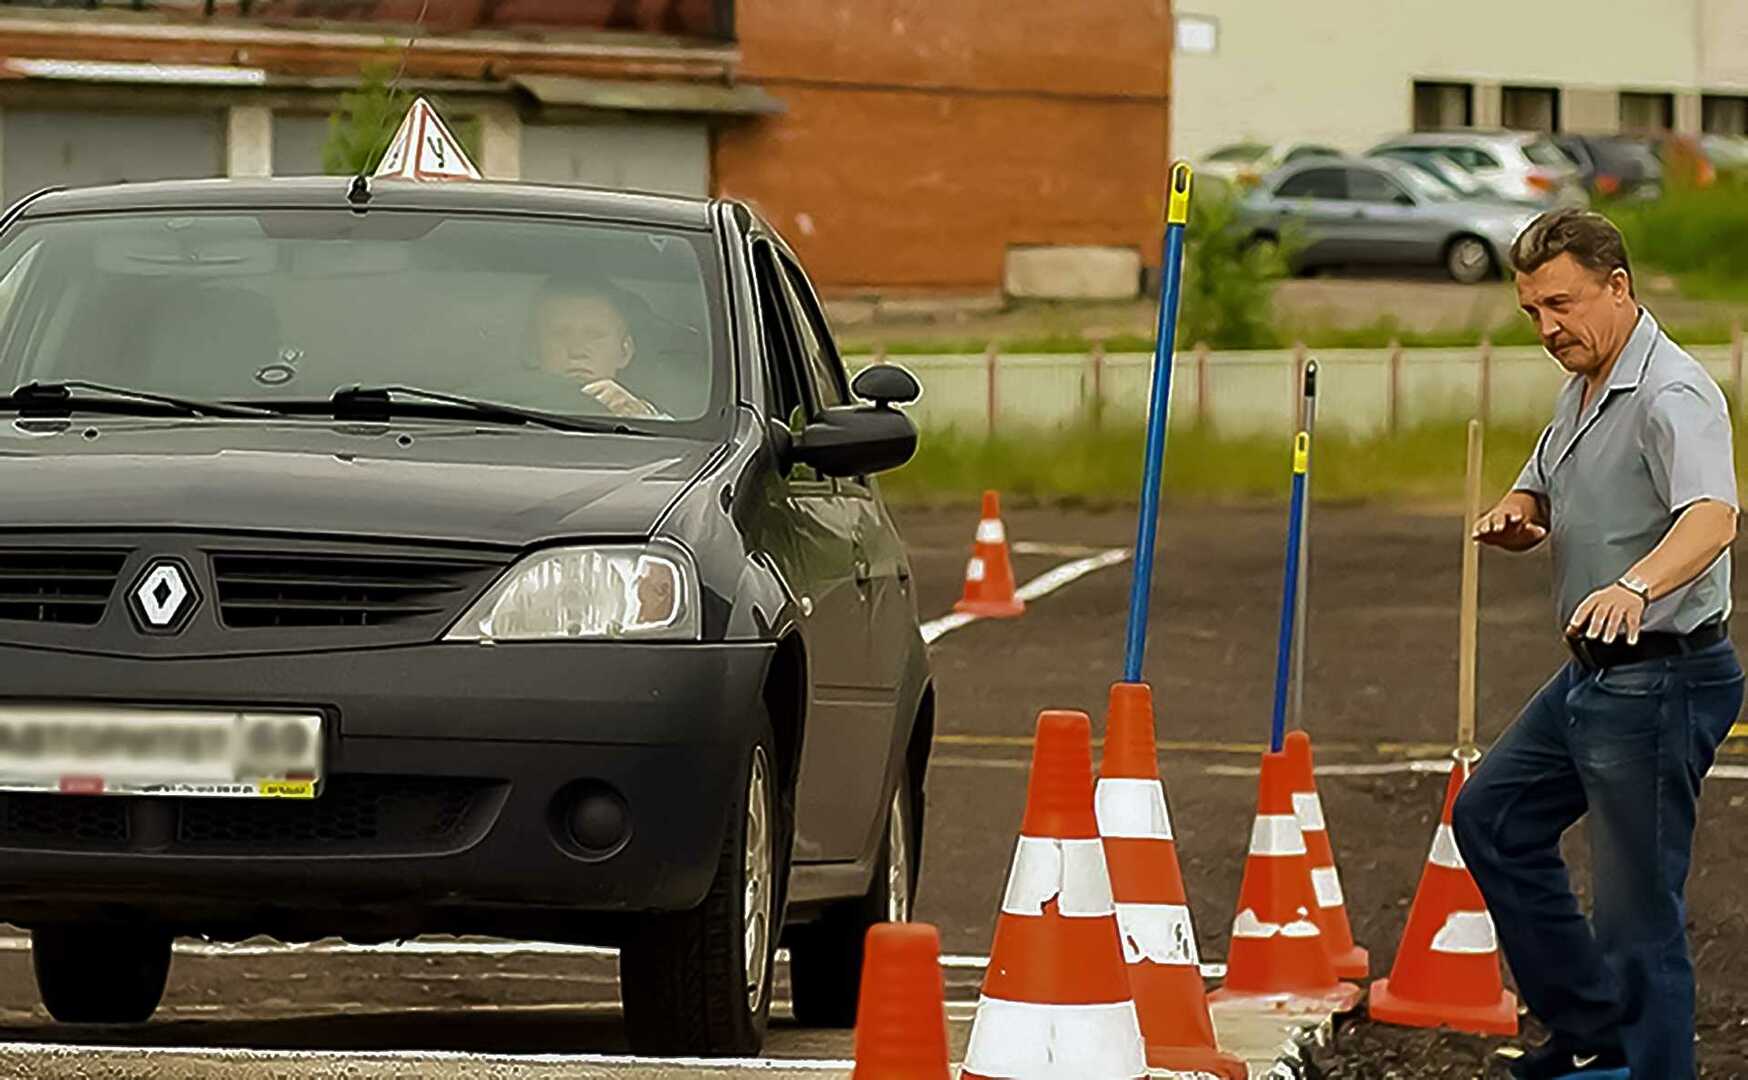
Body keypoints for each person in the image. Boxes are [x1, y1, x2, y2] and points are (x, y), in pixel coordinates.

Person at [1454, 208, 1742, 1080]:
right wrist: (1520, 512)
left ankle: (1648, 1068)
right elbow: (1543, 479)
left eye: (1562, 305)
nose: (1547, 328)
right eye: (1533, 312)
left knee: (1635, 915)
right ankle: (1592, 1035)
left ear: (1618, 287)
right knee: (1492, 818)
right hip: (1592, 671)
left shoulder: (1672, 393)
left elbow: (1713, 516)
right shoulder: (1584, 379)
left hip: (1663, 675)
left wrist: (1636, 584)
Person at [534, 280, 666, 419]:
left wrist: (641, 418)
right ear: (534, 349)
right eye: (560, 334)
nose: (577, 351)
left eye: (595, 335)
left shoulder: (651, 422)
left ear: (625, 352)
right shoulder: (511, 417)